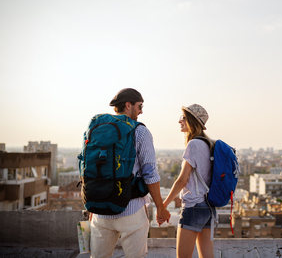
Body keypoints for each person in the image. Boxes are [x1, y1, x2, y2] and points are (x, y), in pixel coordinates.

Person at [90, 88, 170, 258]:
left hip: (100, 211)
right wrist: (161, 208)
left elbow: (91, 169)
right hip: (130, 210)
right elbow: (150, 174)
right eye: (140, 106)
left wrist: (93, 206)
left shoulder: (97, 129)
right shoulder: (140, 131)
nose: (141, 111)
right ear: (128, 105)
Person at [159, 104, 215, 258]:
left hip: (193, 207)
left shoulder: (193, 144)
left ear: (191, 121)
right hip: (208, 208)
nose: (179, 121)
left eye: (183, 118)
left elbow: (182, 181)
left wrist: (163, 206)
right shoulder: (208, 144)